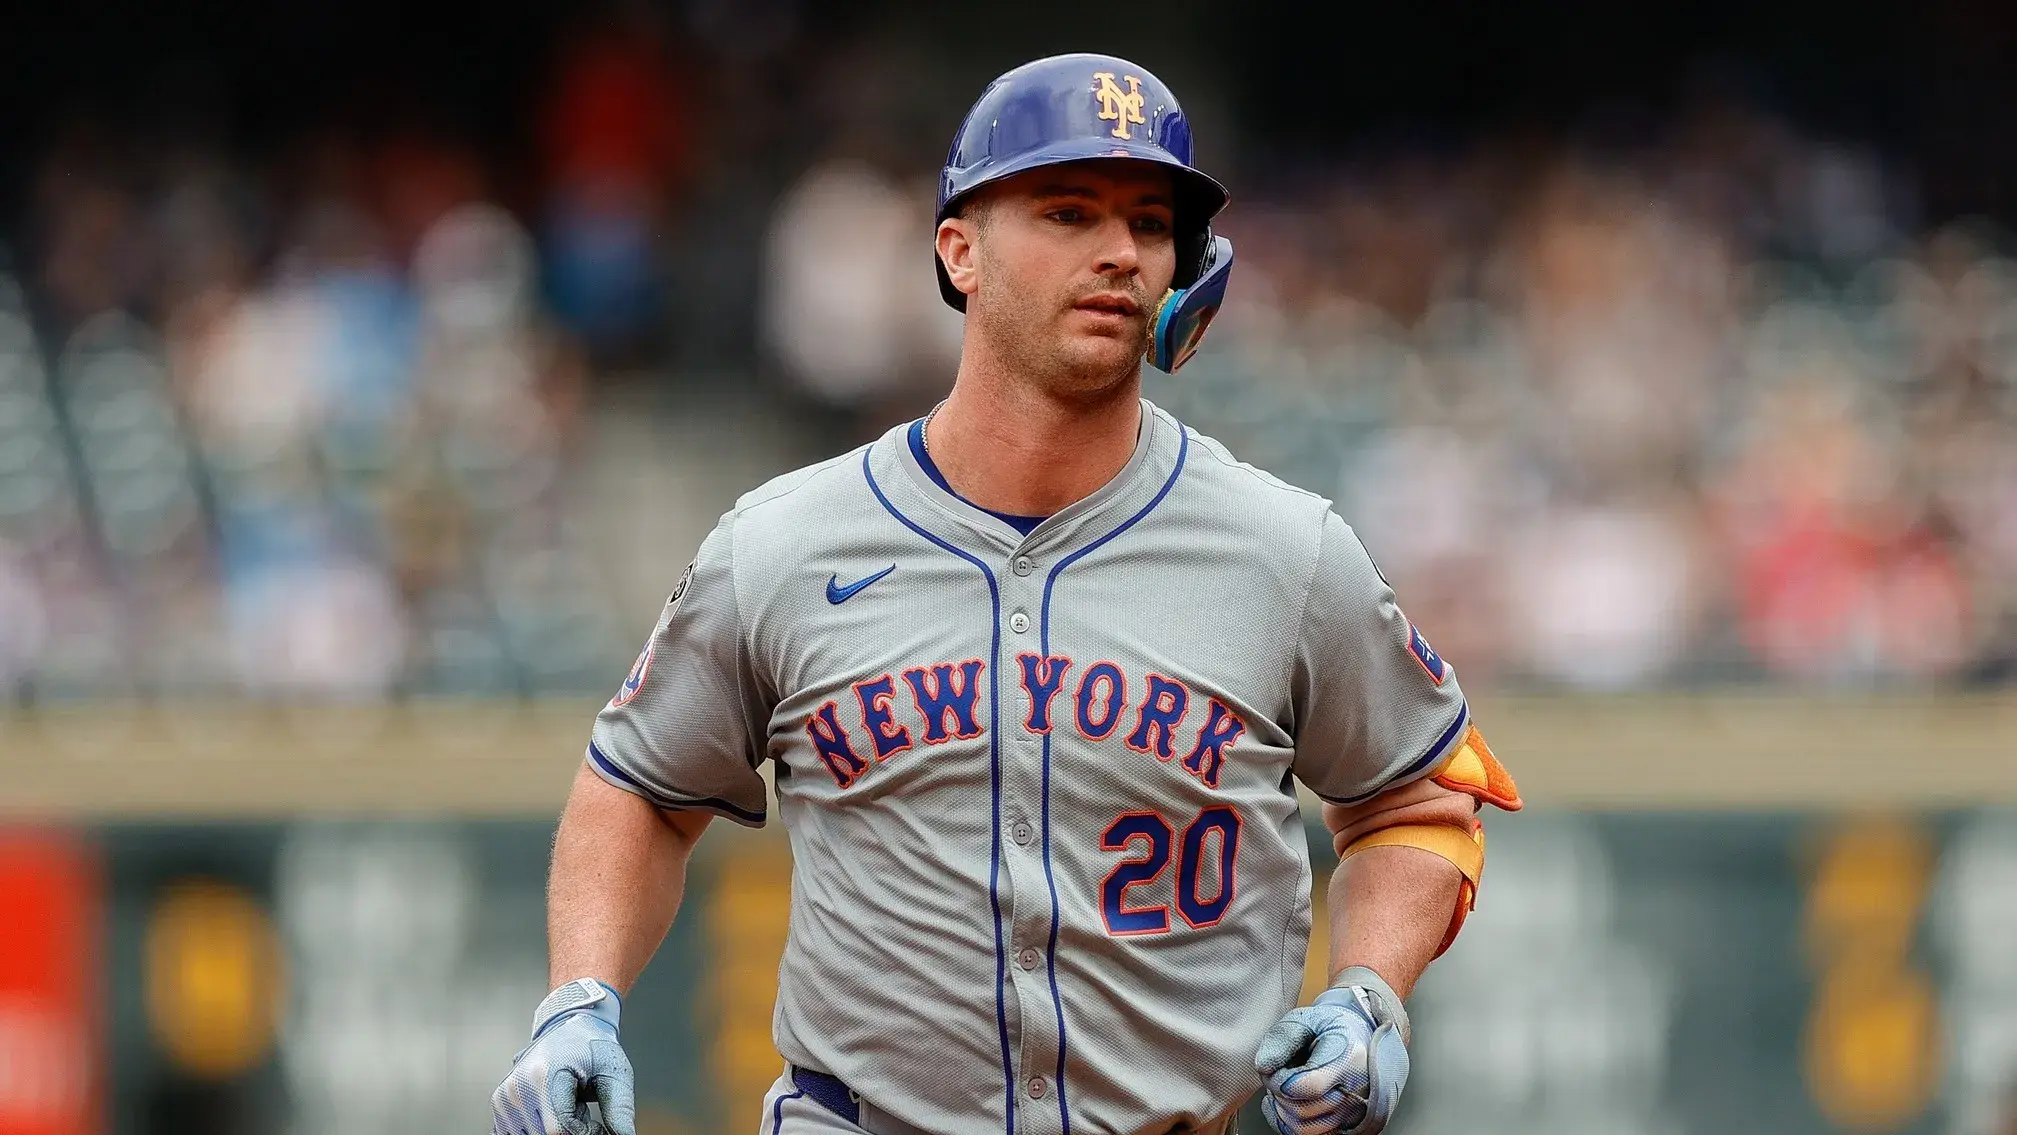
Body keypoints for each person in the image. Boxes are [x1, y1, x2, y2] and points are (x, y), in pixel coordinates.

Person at [490, 52, 1521, 1135]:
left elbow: (1414, 799)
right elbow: (643, 786)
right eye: (1067, 212)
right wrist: (580, 1001)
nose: (1119, 253)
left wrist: (1369, 993)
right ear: (959, 250)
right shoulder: (783, 546)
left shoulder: (1285, 549)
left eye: (1149, 223)